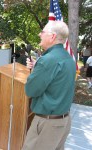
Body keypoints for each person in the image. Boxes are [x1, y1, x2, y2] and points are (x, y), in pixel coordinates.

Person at [22, 21, 76, 150]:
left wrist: (37, 70)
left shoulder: (48, 60)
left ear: (52, 37)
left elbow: (30, 90)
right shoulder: (67, 57)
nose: (40, 34)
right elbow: (57, 81)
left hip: (48, 124)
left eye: (43, 32)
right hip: (63, 121)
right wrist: (38, 67)